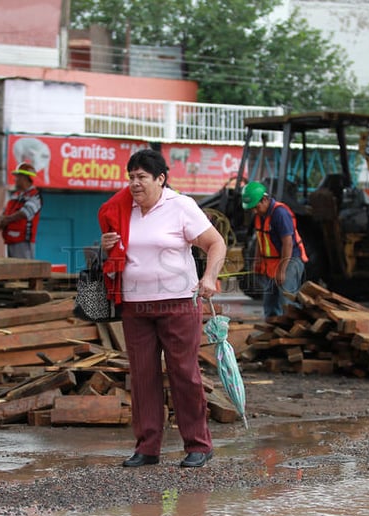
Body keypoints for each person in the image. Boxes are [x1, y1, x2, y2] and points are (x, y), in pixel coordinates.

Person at [98, 149, 226, 468]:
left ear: (160, 178)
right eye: (131, 177)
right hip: (135, 305)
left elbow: (216, 243)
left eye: (142, 177)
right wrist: (106, 247)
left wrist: (209, 276)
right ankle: (148, 447)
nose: (135, 184)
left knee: (184, 373)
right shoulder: (123, 208)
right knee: (143, 377)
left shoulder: (180, 206)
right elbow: (120, 250)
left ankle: (198, 444)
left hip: (178, 303)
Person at [240, 181, 308, 318]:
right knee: (269, 299)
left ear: (264, 199)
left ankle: (291, 331)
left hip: (290, 260)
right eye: (251, 208)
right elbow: (261, 238)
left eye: (255, 207)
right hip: (273, 262)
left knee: (286, 298)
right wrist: (257, 260)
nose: (254, 211)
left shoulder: (280, 214)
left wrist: (282, 270)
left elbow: (287, 244)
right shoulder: (260, 215)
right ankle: (271, 329)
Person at [0, 162, 43, 259]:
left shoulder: (35, 196)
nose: (15, 179)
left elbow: (25, 213)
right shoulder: (15, 195)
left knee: (24, 271)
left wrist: (7, 220)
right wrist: (2, 218)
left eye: (17, 177)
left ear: (24, 178)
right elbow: (6, 210)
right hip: (10, 240)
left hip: (23, 242)